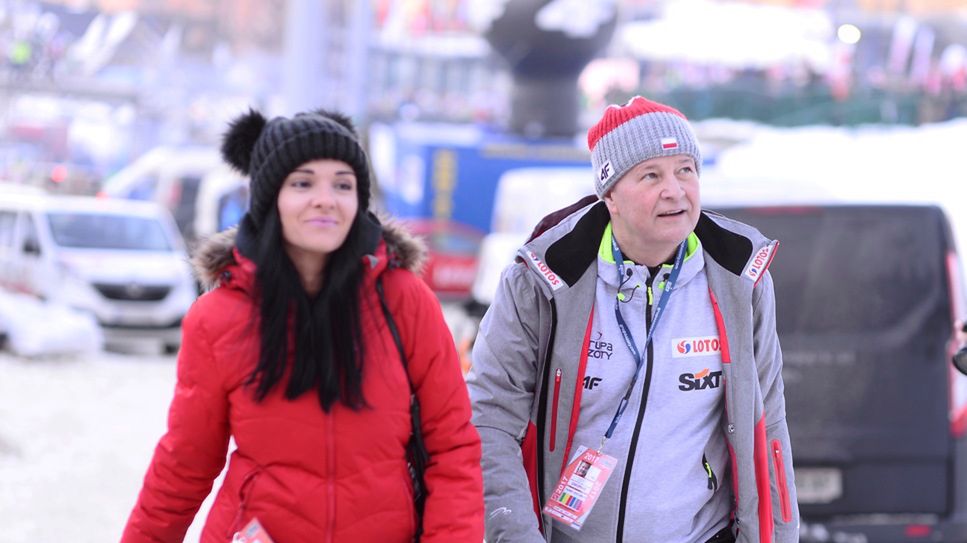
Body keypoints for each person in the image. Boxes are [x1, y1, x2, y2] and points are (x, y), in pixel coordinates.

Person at [122, 108, 484, 542]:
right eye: (303, 183)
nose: (325, 198)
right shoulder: (217, 318)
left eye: (343, 185)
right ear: (269, 196)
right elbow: (185, 464)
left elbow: (453, 447)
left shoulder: (404, 300)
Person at [467, 96, 799, 542]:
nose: (675, 190)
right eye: (651, 175)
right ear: (611, 197)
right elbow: (489, 419)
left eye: (686, 169)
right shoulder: (543, 281)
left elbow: (769, 426)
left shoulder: (741, 277)